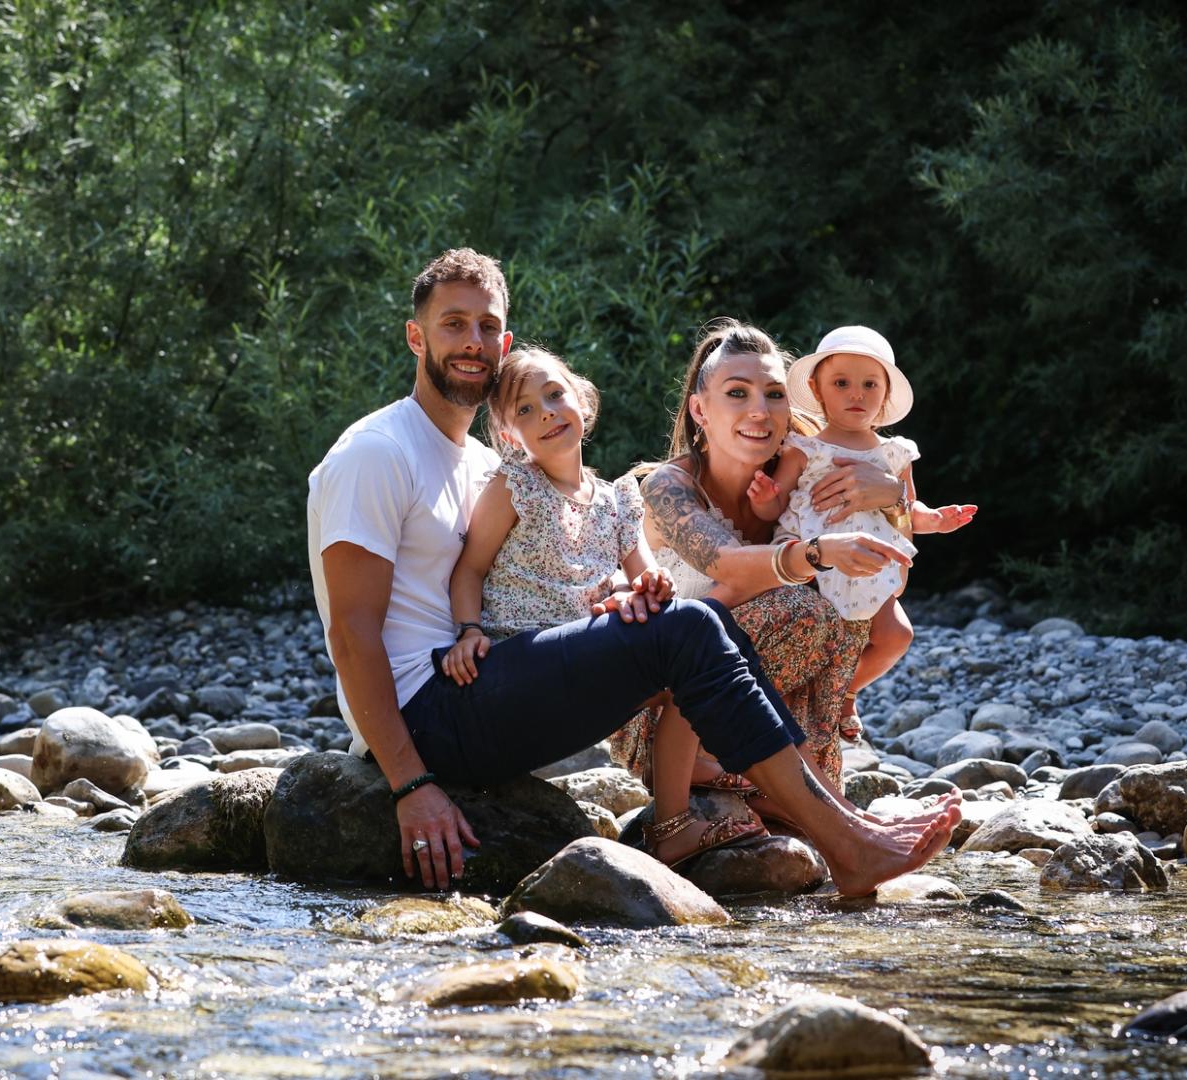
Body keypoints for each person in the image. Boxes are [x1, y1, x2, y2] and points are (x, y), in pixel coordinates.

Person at [306, 249, 956, 897]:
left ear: (504, 343)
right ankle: (846, 844)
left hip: (491, 687)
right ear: (416, 335)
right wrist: (412, 786)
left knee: (683, 621)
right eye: (453, 324)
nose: (472, 342)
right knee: (691, 628)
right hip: (431, 714)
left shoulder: (484, 465)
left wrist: (615, 602)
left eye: (486, 326)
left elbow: (540, 587)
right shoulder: (377, 452)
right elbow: (351, 632)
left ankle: (837, 826)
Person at [611, 320, 960, 815]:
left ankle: (798, 786)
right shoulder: (669, 488)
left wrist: (895, 499)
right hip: (670, 710)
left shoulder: (803, 477)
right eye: (737, 392)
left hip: (774, 716)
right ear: (699, 409)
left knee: (831, 605)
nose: (759, 409)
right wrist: (817, 552)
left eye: (774, 394)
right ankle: (704, 792)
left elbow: (878, 569)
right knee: (801, 605)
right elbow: (730, 568)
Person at [441, 344, 766, 868]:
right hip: (521, 659)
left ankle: (674, 819)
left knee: (695, 646)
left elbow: (647, 579)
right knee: (687, 639)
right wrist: (468, 630)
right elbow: (470, 570)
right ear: (508, 436)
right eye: (524, 410)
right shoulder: (513, 487)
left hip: (587, 658)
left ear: (583, 403)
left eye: (554, 395)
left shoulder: (617, 499)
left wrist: (650, 586)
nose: (545, 411)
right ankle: (706, 787)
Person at [752, 325, 975, 739]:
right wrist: (765, 495)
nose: (857, 394)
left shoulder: (894, 454)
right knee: (816, 639)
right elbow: (777, 507)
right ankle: (794, 710)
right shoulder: (806, 450)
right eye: (842, 383)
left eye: (870, 385)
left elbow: (907, 512)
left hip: (872, 565)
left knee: (897, 635)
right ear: (818, 391)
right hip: (812, 564)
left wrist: (936, 520)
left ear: (885, 395)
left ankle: (848, 691)